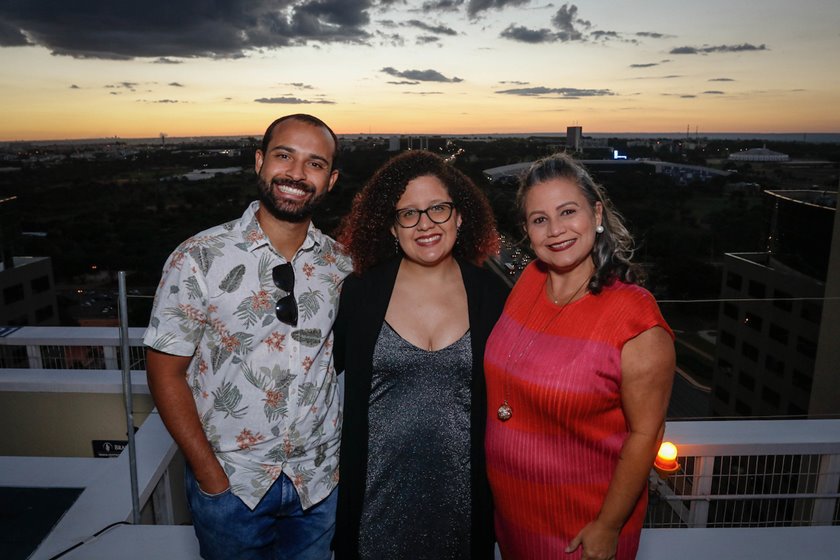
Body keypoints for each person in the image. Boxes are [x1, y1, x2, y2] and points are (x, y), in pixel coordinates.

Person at [143, 114, 352, 560]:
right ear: (260, 162)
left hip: (317, 484)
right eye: (284, 156)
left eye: (314, 164)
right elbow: (165, 373)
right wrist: (209, 475)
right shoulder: (199, 257)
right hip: (232, 484)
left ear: (330, 180)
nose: (297, 174)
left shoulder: (340, 264)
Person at [484, 153, 675, 560]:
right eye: (539, 219)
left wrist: (608, 526)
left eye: (567, 212)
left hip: (580, 528)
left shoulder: (635, 319)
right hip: (515, 518)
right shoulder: (529, 283)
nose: (555, 231)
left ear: (597, 213)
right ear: (527, 230)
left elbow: (646, 435)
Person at [332, 150, 508, 559]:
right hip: (375, 506)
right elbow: (315, 376)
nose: (425, 223)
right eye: (408, 214)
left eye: (438, 209)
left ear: (460, 216)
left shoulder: (493, 296)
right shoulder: (360, 295)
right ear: (392, 228)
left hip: (463, 508)